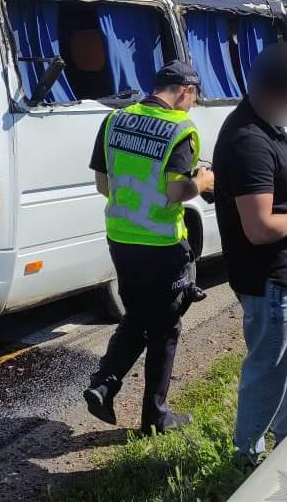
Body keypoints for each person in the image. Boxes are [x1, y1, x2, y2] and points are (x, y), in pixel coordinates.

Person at [213, 43, 287, 465]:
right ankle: (247, 454)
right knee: (269, 367)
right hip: (267, 276)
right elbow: (261, 228)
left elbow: (280, 203)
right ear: (278, 92)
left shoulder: (267, 127)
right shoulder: (248, 140)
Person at [84, 60, 215, 435]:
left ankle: (104, 384)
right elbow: (177, 191)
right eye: (194, 98)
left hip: (121, 238)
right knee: (165, 329)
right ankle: (155, 416)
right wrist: (203, 182)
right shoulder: (180, 128)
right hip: (161, 242)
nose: (192, 106)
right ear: (186, 91)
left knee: (138, 317)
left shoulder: (114, 121)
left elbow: (103, 185)